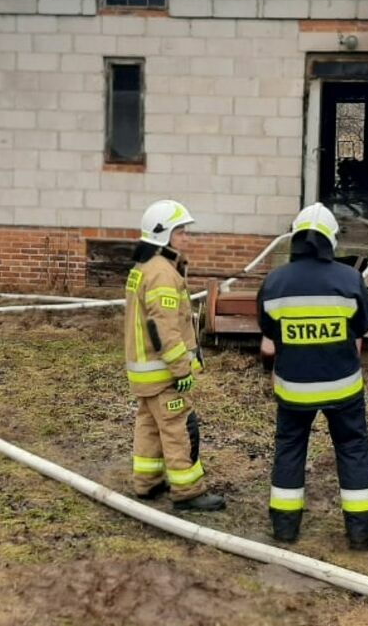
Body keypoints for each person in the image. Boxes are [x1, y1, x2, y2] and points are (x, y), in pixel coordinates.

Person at [257, 203, 368, 550]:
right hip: (343, 387)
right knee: (353, 449)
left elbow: (269, 330)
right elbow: (363, 324)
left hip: (294, 389)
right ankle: (360, 531)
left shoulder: (275, 281)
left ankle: (284, 527)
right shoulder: (348, 279)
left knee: (290, 449)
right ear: (331, 240)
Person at [124, 199, 226, 511]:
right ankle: (188, 492)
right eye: (180, 230)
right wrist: (182, 370)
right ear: (164, 234)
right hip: (164, 372)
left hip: (144, 371)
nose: (186, 236)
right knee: (178, 428)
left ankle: (147, 482)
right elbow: (164, 330)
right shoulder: (162, 273)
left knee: (149, 424)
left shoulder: (145, 268)